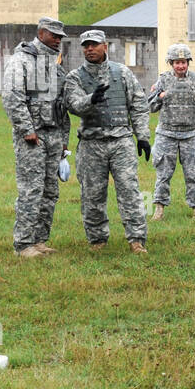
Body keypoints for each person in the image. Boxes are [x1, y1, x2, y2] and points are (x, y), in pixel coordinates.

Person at [64, 30, 151, 254]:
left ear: (105, 46)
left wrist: (142, 136)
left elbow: (139, 105)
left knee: (129, 191)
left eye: (93, 45)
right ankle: (97, 239)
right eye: (85, 46)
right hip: (92, 143)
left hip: (121, 141)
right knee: (92, 194)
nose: (89, 49)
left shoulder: (121, 73)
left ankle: (136, 239)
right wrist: (90, 99)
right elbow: (72, 104)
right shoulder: (75, 77)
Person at [2, 16, 69, 258]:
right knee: (32, 189)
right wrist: (26, 129)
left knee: (50, 190)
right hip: (32, 136)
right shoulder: (22, 61)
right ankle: (23, 244)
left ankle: (40, 239)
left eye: (61, 37)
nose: (58, 40)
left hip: (53, 134)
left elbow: (62, 105)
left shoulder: (55, 64)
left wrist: (64, 139)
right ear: (41, 34)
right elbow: (12, 97)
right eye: (54, 36)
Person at [148, 43, 195, 220]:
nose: (180, 66)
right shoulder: (163, 80)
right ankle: (159, 209)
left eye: (183, 62)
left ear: (188, 63)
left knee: (192, 174)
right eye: (177, 62)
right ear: (171, 63)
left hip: (190, 135)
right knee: (163, 174)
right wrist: (161, 97)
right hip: (166, 134)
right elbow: (150, 105)